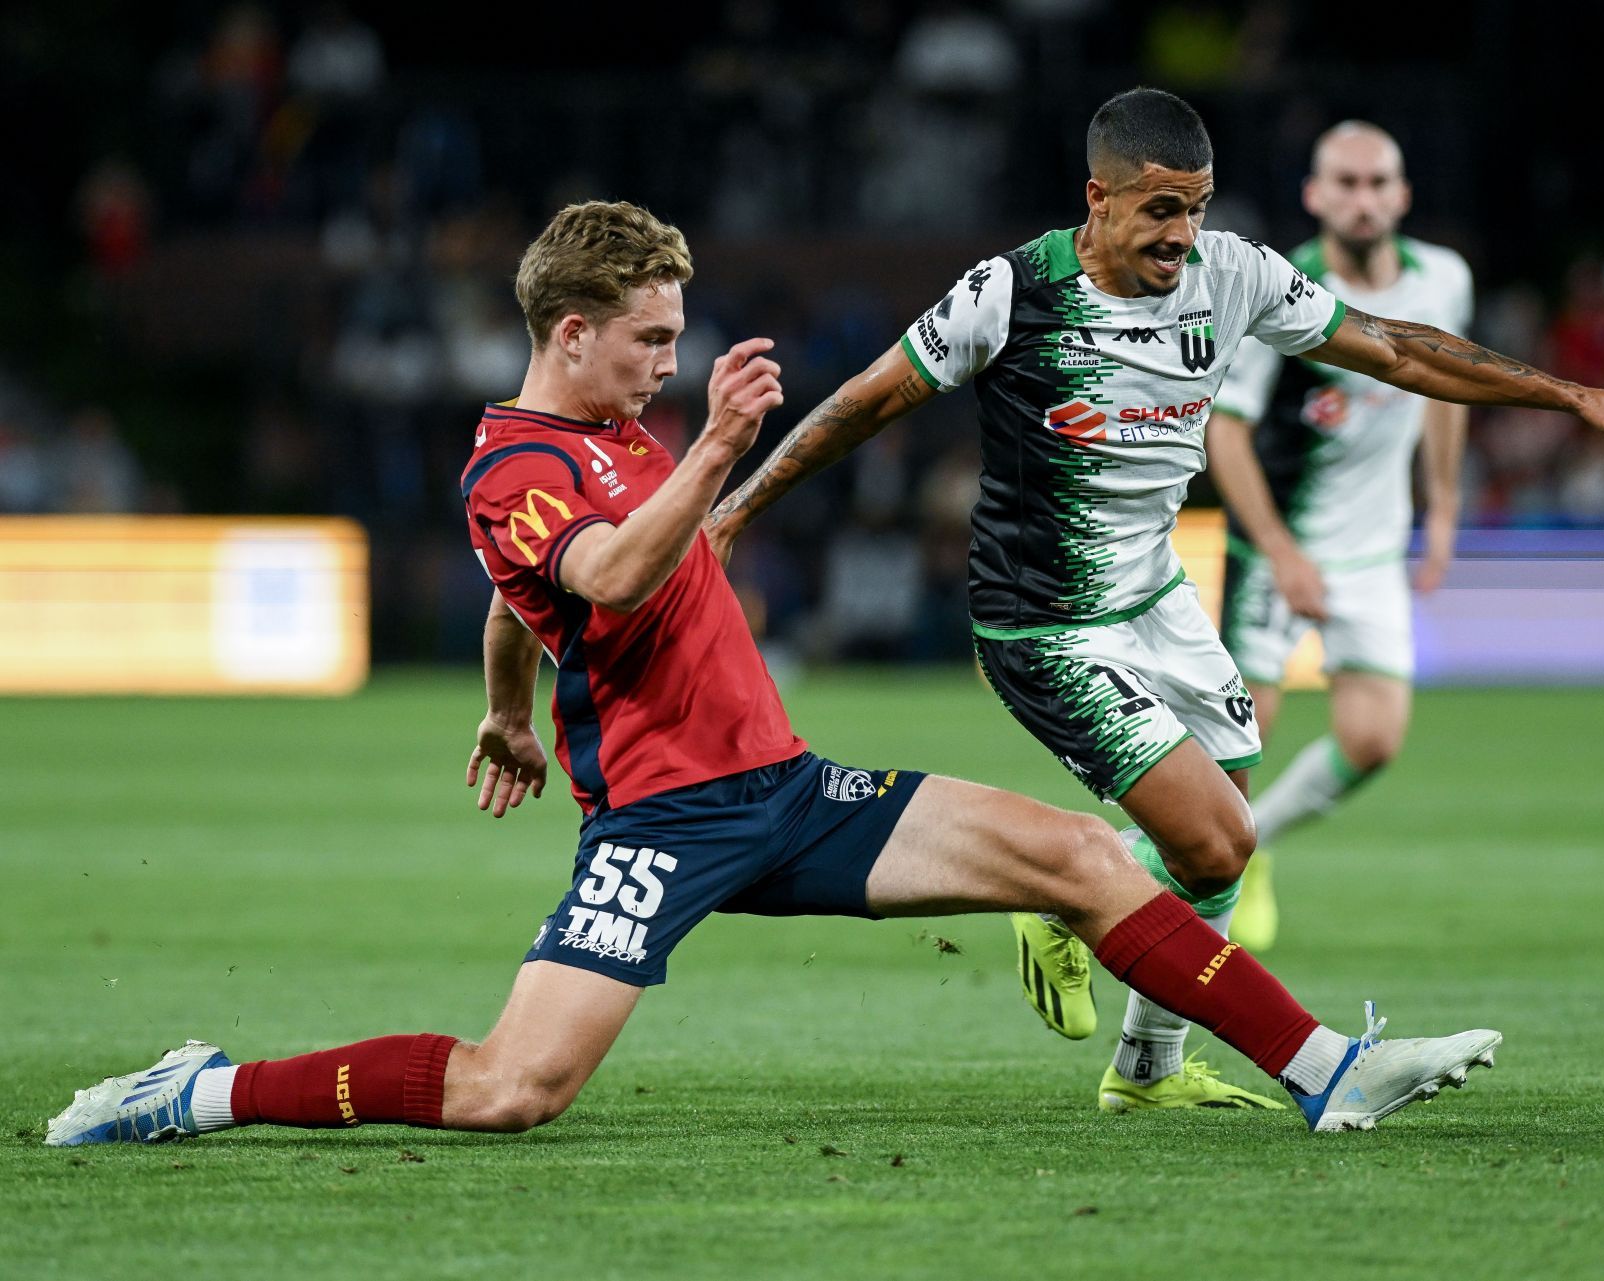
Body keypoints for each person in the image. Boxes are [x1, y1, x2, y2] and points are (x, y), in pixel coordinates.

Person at [44, 200, 1506, 1147]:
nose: (669, 366)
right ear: (571, 333)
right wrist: (723, 452)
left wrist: (505, 706)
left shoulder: (614, 441)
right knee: (512, 1090)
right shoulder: (521, 460)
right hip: (666, 820)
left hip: (789, 788)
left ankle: (1324, 1071)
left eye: (679, 343)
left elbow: (527, 600)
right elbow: (599, 572)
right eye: (649, 341)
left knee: (1079, 856)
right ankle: (203, 1088)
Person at [704, 88, 1604, 1113]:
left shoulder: (1236, 275)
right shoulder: (1011, 294)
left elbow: (1396, 349)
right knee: (1218, 840)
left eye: (1199, 208)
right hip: (1045, 626)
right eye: (1161, 210)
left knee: (1222, 834)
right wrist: (737, 509)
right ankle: (1090, 913)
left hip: (1160, 599)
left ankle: (1144, 1066)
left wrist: (1570, 394)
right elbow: (868, 399)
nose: (1184, 236)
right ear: (1098, 198)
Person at [1207, 121, 1473, 952]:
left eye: (1377, 183)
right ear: (1315, 196)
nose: (1362, 200)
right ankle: (1160, 890)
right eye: (1344, 184)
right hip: (1277, 548)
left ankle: (1256, 852)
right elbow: (1227, 432)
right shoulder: (1281, 294)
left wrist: (1444, 507)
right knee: (1234, 757)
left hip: (1373, 550)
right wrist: (1281, 552)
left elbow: (1445, 390)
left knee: (1372, 738)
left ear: (1401, 194)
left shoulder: (1444, 281)